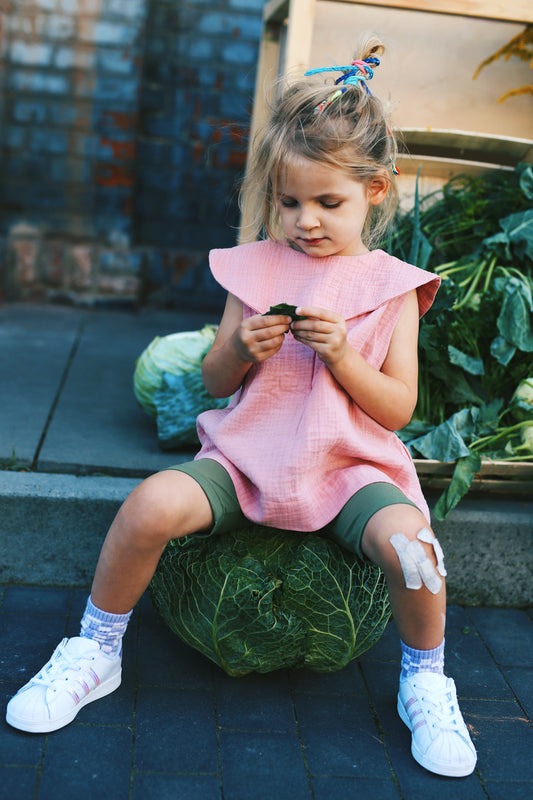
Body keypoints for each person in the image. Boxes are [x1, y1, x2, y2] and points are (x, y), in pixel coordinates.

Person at [6, 37, 477, 778]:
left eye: (328, 202)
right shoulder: (253, 268)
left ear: (376, 191)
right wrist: (240, 349)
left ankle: (426, 680)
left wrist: (344, 358)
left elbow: (396, 410)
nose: (304, 220)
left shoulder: (393, 288)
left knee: (415, 552)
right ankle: (96, 648)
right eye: (287, 202)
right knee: (147, 507)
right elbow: (215, 382)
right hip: (246, 457)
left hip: (350, 469)